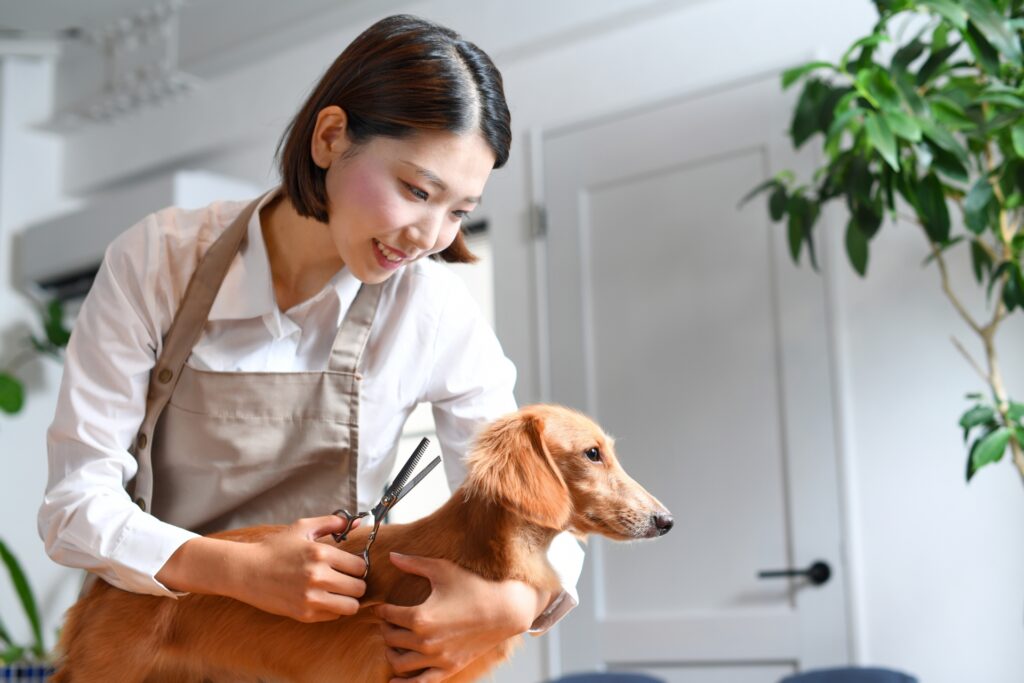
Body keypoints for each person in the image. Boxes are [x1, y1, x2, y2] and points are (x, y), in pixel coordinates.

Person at [38, 14, 583, 682]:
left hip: (316, 659)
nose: (430, 236)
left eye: (460, 211)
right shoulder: (159, 262)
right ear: (330, 137)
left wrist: (512, 599)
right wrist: (235, 569)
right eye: (417, 190)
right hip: (154, 643)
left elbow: (527, 498)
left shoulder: (434, 309)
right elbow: (74, 506)